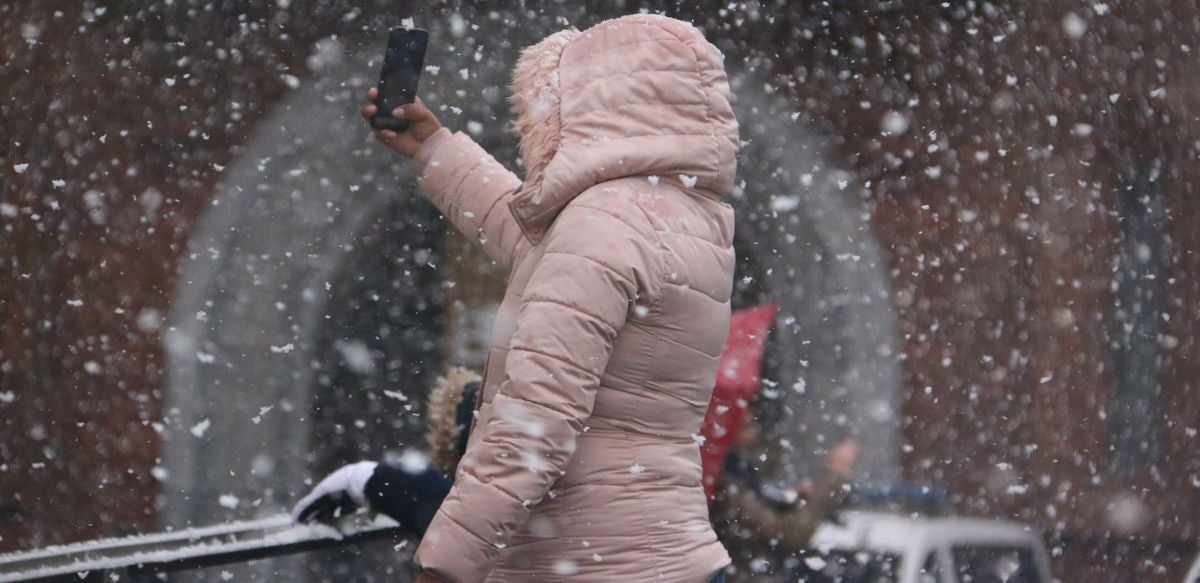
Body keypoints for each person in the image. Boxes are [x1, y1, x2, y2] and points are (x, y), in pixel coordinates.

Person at [293, 14, 740, 583]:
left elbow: (534, 424)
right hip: (667, 554)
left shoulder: (601, 225)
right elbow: (545, 250)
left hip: (587, 562)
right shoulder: (684, 216)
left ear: (582, 111)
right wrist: (434, 150)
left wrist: (445, 565)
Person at [711, 421, 860, 583]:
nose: (753, 437)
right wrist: (833, 476)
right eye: (745, 427)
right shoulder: (723, 483)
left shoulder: (736, 471)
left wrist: (789, 499)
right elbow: (788, 535)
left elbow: (759, 514)